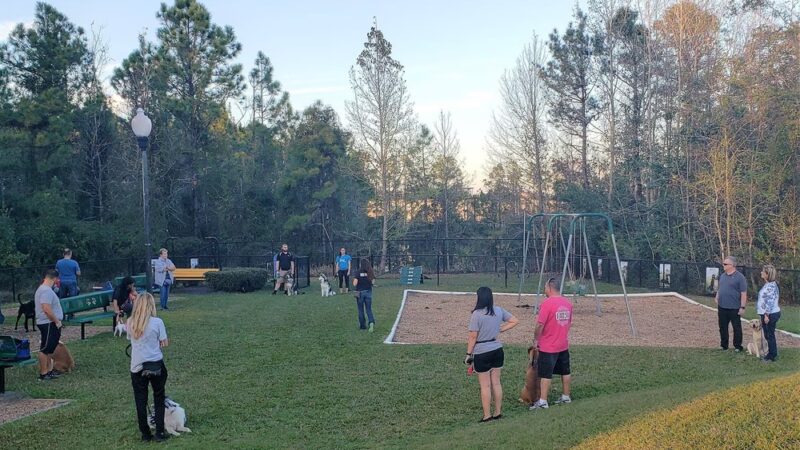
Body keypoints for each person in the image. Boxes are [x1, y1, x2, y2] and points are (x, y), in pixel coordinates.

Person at [465, 287, 519, 422]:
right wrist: (501, 329)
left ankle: (487, 415)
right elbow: (514, 320)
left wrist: (468, 354)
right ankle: (498, 412)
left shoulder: (476, 314)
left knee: (485, 386)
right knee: (496, 383)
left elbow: (473, 336)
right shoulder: (498, 310)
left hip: (482, 351)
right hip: (497, 349)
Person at [128, 292, 169, 442]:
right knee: (159, 396)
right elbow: (164, 342)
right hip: (155, 364)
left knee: (140, 400)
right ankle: (160, 432)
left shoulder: (130, 322)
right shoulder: (157, 322)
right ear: (151, 305)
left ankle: (145, 434)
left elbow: (131, 339)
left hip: (137, 366)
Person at [530, 278, 573, 410]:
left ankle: (543, 402)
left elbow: (540, 324)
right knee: (565, 371)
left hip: (548, 346)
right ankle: (566, 396)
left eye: (545, 286)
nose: (544, 289)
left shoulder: (547, 304)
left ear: (549, 287)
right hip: (563, 344)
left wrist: (536, 339)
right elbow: (569, 323)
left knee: (545, 374)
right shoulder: (568, 304)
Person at [35, 269, 64, 380]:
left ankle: (49, 371)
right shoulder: (46, 291)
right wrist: (56, 321)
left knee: (49, 348)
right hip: (48, 323)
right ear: (55, 279)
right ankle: (43, 373)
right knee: (45, 349)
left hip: (49, 322)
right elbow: (46, 308)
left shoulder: (43, 289)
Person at [715, 256, 747, 351]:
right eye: (723, 264)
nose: (723, 265)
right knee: (722, 327)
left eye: (725, 264)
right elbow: (720, 288)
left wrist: (742, 307)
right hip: (722, 306)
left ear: (732, 265)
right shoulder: (722, 276)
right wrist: (717, 295)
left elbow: (743, 293)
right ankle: (724, 345)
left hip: (734, 307)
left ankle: (738, 346)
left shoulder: (740, 277)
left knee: (736, 327)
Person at [757, 264, 781, 362]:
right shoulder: (768, 285)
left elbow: (770, 301)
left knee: (770, 335)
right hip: (766, 313)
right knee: (767, 334)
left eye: (763, 271)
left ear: (767, 274)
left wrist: (766, 315)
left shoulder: (771, 286)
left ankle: (772, 355)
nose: (761, 272)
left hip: (770, 314)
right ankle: (772, 352)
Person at [352, 258, 376, 332]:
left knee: (360, 309)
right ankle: (371, 322)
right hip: (368, 292)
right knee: (368, 309)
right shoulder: (370, 272)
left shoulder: (358, 272)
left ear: (361, 264)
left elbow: (354, 283)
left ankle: (362, 326)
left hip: (359, 293)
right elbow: (373, 281)